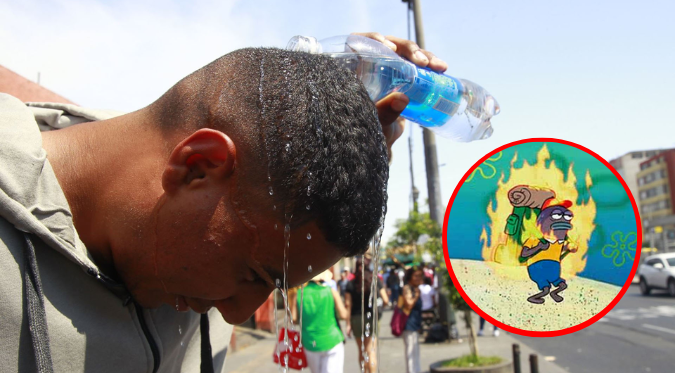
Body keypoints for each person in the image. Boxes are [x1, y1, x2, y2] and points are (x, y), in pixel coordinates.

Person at [0, 32, 447, 372]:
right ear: (197, 167)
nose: (237, 312)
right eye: (253, 274)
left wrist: (328, 96)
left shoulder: (191, 220)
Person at [290, 270, 348, 373]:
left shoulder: (299, 294)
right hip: (332, 340)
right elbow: (343, 315)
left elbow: (293, 319)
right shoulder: (330, 291)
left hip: (310, 342)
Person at [344, 259, 389, 373]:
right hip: (372, 317)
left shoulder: (351, 283)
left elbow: (348, 304)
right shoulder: (375, 280)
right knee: (371, 350)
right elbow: (385, 299)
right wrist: (380, 309)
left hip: (356, 318)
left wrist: (348, 323)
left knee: (362, 350)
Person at [401, 267, 424, 373]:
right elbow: (409, 305)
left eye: (420, 275)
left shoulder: (415, 288)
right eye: (416, 276)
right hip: (408, 324)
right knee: (410, 353)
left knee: (415, 352)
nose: (418, 278)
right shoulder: (407, 288)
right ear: (410, 277)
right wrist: (417, 296)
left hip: (415, 324)